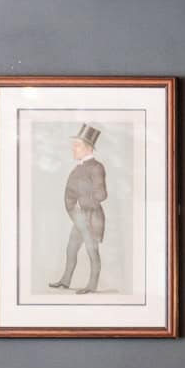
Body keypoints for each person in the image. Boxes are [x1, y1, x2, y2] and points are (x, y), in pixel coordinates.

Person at [50, 124, 108, 295]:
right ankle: (65, 281)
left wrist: (84, 201)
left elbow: (102, 194)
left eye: (77, 146)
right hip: (80, 217)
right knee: (71, 249)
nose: (73, 149)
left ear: (88, 148)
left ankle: (91, 286)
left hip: (92, 218)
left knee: (92, 251)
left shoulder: (97, 167)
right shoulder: (77, 168)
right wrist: (74, 209)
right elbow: (70, 193)